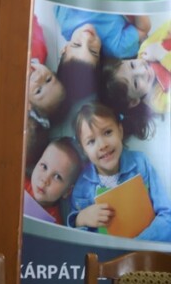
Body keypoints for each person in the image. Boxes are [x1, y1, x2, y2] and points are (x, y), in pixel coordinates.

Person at [67, 102, 171, 242]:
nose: (102, 145)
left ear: (120, 131)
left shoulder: (141, 163)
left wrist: (137, 244)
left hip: (147, 246)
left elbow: (167, 215)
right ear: (84, 150)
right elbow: (75, 240)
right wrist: (80, 219)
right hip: (105, 253)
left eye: (107, 132)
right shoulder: (82, 187)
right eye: (91, 141)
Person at [24, 137, 82, 224]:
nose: (45, 180)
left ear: (67, 191)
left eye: (57, 177)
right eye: (44, 166)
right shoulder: (19, 182)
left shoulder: (54, 224)